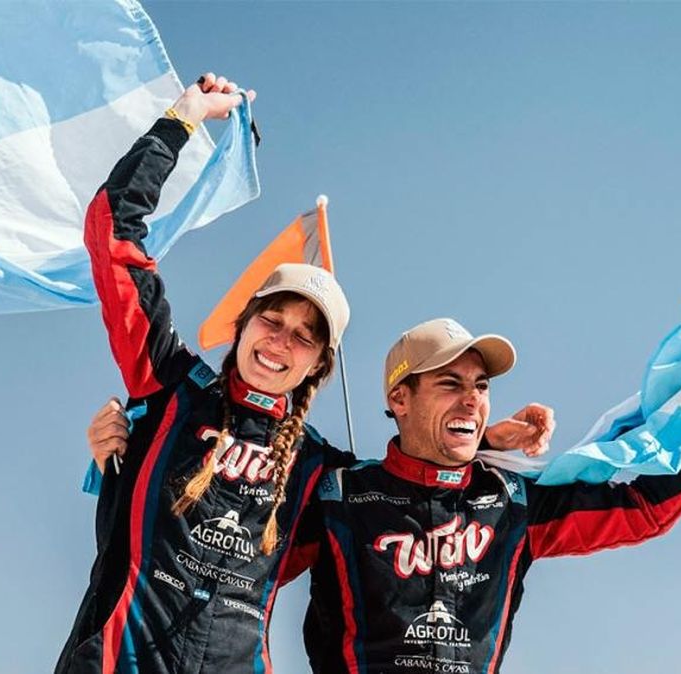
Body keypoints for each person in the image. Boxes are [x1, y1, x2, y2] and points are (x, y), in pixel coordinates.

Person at [59, 73, 553, 674]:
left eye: (306, 336)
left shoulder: (324, 471)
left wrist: (486, 444)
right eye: (272, 320)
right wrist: (184, 116)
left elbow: (412, 485)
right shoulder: (169, 386)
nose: (281, 342)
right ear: (243, 324)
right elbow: (112, 233)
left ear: (318, 364)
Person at [301, 297, 681, 673]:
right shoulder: (336, 494)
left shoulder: (511, 502)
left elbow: (646, 510)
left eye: (480, 386)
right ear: (400, 398)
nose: (472, 399)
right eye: (449, 383)